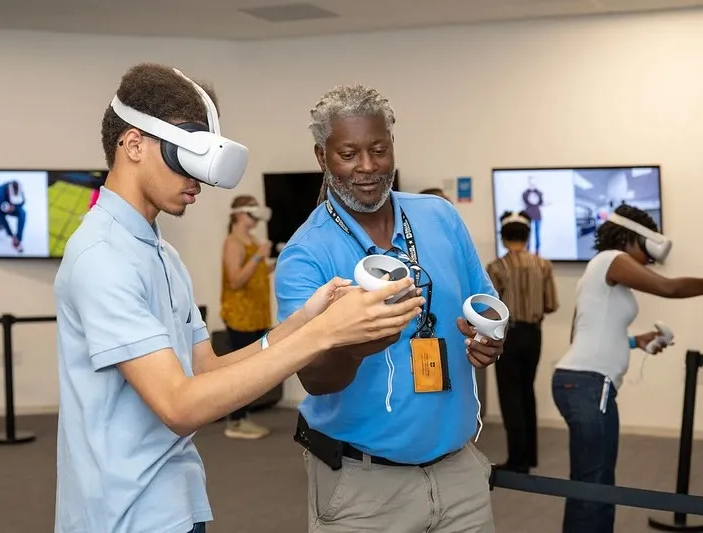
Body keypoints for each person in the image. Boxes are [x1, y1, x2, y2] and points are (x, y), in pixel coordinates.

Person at [53, 63, 425, 533]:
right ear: (133, 144)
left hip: (173, 501)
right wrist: (324, 336)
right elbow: (179, 406)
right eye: (185, 157)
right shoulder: (103, 256)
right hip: (122, 515)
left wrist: (305, 323)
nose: (198, 181)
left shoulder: (159, 251)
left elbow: (206, 371)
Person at [275, 83, 505, 533]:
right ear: (322, 157)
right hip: (364, 489)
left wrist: (489, 337)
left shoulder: (440, 216)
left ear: (393, 146)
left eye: (379, 150)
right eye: (348, 154)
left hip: (460, 475)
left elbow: (486, 303)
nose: (367, 167)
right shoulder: (305, 255)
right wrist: (357, 343)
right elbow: (315, 379)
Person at [552, 203, 703, 533]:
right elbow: (668, 287)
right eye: (647, 249)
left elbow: (582, 336)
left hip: (582, 383)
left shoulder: (597, 270)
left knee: (590, 483)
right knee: (595, 486)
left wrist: (635, 341)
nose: (650, 259)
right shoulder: (611, 259)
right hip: (589, 385)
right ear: (630, 238)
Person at [486, 210, 559, 473]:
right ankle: (529, 456)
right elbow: (551, 304)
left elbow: (491, 308)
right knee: (527, 391)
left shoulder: (496, 268)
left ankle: (517, 460)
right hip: (534, 334)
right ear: (528, 236)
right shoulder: (543, 265)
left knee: (510, 394)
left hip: (508, 334)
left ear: (503, 238)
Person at [220, 194, 275, 439]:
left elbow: (255, 274)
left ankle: (243, 417)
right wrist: (258, 256)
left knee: (253, 370)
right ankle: (236, 421)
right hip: (240, 316)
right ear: (241, 215)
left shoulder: (252, 240)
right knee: (241, 371)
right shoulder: (233, 243)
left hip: (256, 314)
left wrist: (273, 261)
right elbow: (236, 280)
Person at [0, 180, 26, 252]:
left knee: (22, 213)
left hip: (6, 207)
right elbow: (1, 218)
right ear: (8, 191)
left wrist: (14, 207)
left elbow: (22, 202)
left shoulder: (18, 190)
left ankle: (18, 238)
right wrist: (11, 235)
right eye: (13, 199)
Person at [521, 176, 544, 254]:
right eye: (531, 181)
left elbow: (541, 202)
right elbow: (524, 202)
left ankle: (537, 250)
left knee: (537, 233)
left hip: (537, 215)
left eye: (534, 181)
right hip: (528, 215)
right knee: (528, 233)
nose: (533, 182)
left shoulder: (539, 193)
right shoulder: (525, 193)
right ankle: (527, 250)